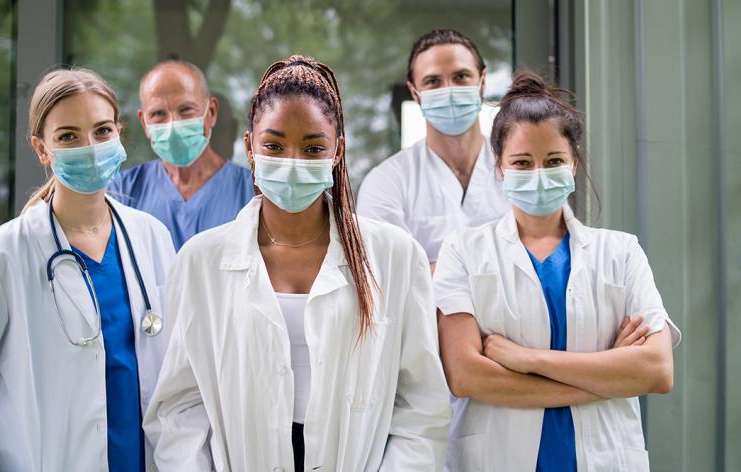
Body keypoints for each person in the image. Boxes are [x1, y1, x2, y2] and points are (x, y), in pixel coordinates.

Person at [144, 55, 451, 471]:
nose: (292, 162)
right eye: (273, 145)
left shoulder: (395, 256)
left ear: (338, 149)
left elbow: (420, 407)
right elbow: (179, 410)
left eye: (312, 147)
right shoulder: (201, 262)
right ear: (250, 147)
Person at [0, 68, 175, 471]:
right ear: (41, 148)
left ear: (120, 134)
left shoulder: (151, 237)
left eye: (102, 131)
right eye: (68, 136)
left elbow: (176, 376)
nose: (89, 147)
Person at [433, 71, 681, 472]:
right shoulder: (462, 250)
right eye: (521, 162)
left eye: (553, 161)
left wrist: (525, 358)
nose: (537, 174)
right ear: (499, 166)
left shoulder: (621, 252)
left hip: (605, 457)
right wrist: (607, 376)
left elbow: (656, 370)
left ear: (574, 163)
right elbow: (465, 376)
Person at [357, 29, 509, 270]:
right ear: (415, 93)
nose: (448, 90)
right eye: (433, 81)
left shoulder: (519, 167)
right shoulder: (386, 183)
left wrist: (430, 270)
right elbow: (386, 276)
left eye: (461, 76)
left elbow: (549, 252)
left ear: (482, 82)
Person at [109, 60, 253, 250]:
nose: (173, 124)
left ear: (211, 112)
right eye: (159, 113)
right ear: (144, 123)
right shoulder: (122, 191)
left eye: (185, 109)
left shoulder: (251, 190)